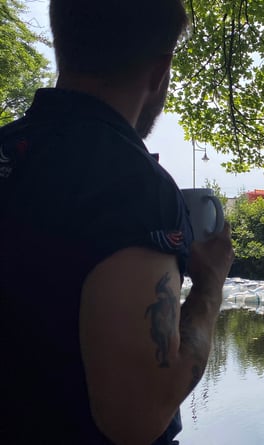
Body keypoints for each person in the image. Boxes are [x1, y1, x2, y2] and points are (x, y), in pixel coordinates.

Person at [0, 0, 234, 443]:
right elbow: (138, 417)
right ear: (160, 70)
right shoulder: (133, 183)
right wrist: (209, 284)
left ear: (62, 44)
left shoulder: (11, 149)